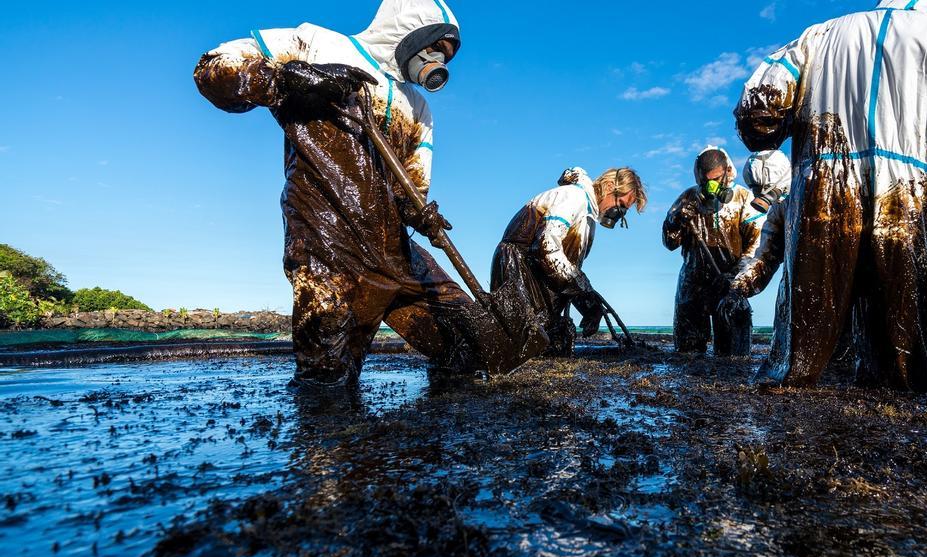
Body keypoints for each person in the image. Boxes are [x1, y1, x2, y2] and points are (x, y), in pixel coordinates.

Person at [195, 0, 497, 387]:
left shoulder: (419, 106)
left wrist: (419, 212)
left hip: (394, 249)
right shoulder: (317, 43)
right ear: (410, 30)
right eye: (437, 46)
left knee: (469, 342)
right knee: (327, 376)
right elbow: (212, 67)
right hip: (328, 239)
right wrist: (288, 80)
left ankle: (421, 445)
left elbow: (414, 184)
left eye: (448, 56)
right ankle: (331, 444)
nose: (440, 59)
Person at [731, 0, 927, 392]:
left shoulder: (818, 36)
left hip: (823, 189)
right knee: (899, 362)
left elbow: (757, 110)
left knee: (798, 356)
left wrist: (776, 142)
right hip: (913, 197)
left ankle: (786, 421)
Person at [490, 167, 646, 356]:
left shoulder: (589, 220)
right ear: (609, 186)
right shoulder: (574, 197)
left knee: (549, 345)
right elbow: (546, 245)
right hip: (515, 266)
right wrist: (585, 291)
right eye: (620, 204)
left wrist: (588, 305)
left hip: (534, 272)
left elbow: (568, 269)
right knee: (518, 345)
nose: (619, 213)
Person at [663, 147, 764, 357]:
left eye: (716, 179)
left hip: (728, 286)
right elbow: (670, 243)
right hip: (692, 286)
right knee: (687, 354)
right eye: (705, 181)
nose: (711, 186)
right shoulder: (688, 198)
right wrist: (674, 223)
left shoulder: (744, 200)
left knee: (734, 358)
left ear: (728, 172)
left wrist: (736, 280)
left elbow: (756, 247)